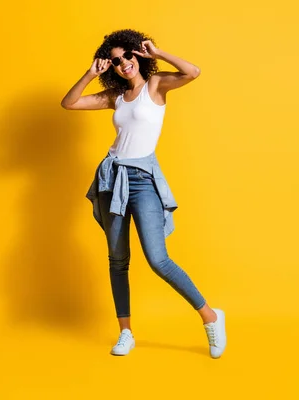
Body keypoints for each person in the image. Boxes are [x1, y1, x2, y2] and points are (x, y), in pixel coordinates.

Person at [61, 29, 226, 358]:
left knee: (158, 259)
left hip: (143, 178)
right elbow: (70, 103)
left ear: (139, 55)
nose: (124, 65)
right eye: (117, 61)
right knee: (118, 260)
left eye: (129, 57)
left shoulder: (156, 85)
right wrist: (90, 73)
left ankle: (210, 316)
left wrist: (159, 53)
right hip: (113, 178)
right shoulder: (115, 98)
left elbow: (193, 72)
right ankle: (126, 333)